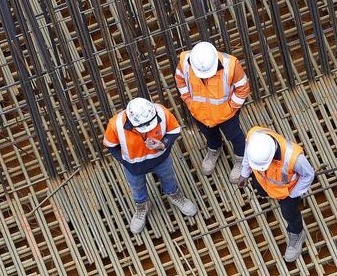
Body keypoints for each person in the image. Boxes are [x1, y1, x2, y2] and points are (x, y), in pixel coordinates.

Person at [103, 97, 197, 234]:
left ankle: (175, 195)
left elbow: (174, 130)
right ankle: (142, 206)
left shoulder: (161, 112)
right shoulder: (115, 124)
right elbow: (111, 146)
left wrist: (163, 144)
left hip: (161, 159)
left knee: (168, 178)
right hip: (134, 167)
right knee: (137, 187)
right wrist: (125, 161)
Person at [175, 41, 250, 183]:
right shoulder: (185, 61)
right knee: (209, 133)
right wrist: (188, 101)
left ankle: (242, 159)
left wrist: (230, 108)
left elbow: (243, 88)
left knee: (235, 136)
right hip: (200, 113)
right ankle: (214, 150)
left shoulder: (231, 65)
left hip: (227, 115)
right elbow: (180, 80)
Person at [237, 126, 315, 262]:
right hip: (264, 182)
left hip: (288, 191)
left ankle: (297, 234)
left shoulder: (293, 158)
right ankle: (267, 192)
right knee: (261, 191)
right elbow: (248, 153)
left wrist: (293, 194)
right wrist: (245, 172)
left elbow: (309, 175)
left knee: (289, 213)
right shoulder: (255, 137)